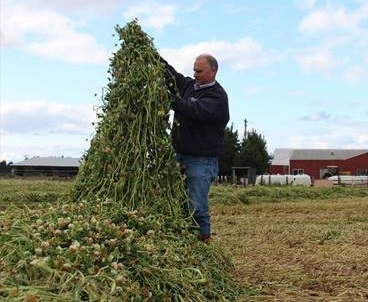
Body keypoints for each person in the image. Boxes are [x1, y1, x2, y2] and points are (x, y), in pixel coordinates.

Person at [161, 54, 230, 242]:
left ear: (212, 71)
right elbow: (173, 77)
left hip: (201, 160)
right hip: (180, 155)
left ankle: (204, 246)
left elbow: (194, 111)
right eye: (194, 70)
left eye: (199, 71)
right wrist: (153, 58)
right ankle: (184, 241)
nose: (195, 74)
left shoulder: (217, 97)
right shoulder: (190, 86)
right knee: (177, 201)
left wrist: (172, 100)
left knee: (196, 206)